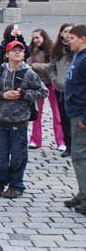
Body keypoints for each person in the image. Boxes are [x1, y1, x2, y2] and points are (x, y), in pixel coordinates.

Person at [0, 40, 47, 199]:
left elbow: (43, 92)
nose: (17, 53)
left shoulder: (29, 73)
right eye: (14, 50)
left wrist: (25, 95)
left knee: (19, 155)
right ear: (7, 54)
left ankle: (16, 184)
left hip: (19, 122)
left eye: (20, 50)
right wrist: (2, 95)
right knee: (0, 155)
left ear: (24, 54)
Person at [27, 28, 65, 151]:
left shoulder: (53, 49)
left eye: (37, 37)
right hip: (38, 86)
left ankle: (61, 141)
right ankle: (35, 140)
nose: (35, 40)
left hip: (51, 84)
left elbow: (52, 66)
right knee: (36, 114)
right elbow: (27, 65)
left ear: (44, 37)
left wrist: (36, 66)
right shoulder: (32, 50)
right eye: (33, 38)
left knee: (57, 114)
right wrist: (33, 67)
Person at [63, 24, 86, 214]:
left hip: (81, 114)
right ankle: (82, 192)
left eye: (72, 39)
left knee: (80, 156)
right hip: (74, 111)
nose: (68, 42)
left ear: (83, 38)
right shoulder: (79, 56)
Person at [50, 23, 75, 158]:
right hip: (60, 89)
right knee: (64, 119)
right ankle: (68, 146)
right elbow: (51, 68)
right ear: (61, 34)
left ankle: (78, 146)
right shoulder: (56, 50)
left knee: (75, 118)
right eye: (65, 31)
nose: (67, 34)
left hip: (75, 89)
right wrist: (55, 80)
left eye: (70, 31)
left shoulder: (78, 49)